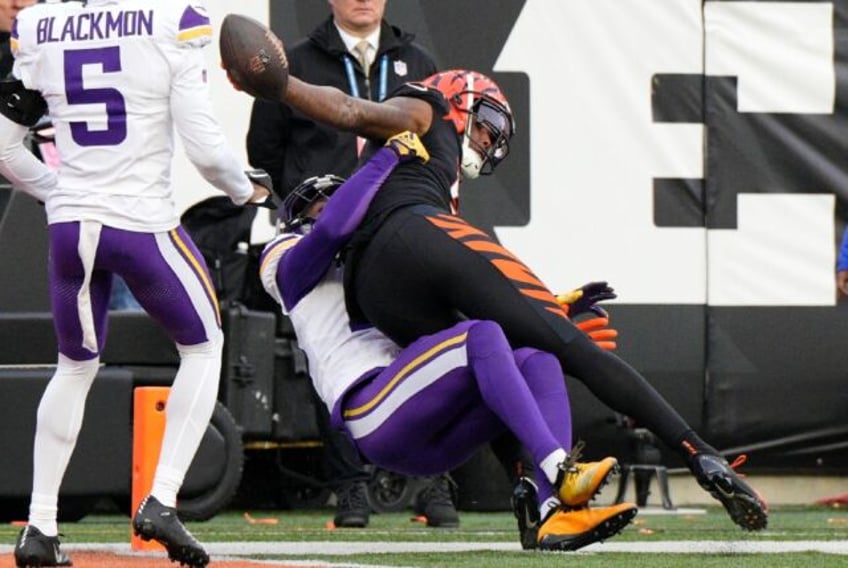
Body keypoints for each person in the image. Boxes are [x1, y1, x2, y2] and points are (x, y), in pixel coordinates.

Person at [228, 56, 769, 532]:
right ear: (458, 100)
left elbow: (477, 337)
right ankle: (697, 454)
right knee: (570, 346)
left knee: (521, 352)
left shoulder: (378, 202)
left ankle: (544, 505)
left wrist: (545, 308)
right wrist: (283, 87)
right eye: (485, 123)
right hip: (409, 243)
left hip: (378, 298)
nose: (488, 142)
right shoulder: (426, 109)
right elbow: (347, 110)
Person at [258, 129, 639, 551]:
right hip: (373, 409)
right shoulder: (283, 256)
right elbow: (330, 232)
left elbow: (465, 303)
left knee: (536, 356)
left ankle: (553, 513)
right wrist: (388, 156)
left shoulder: (379, 261)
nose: (339, 206)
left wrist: (548, 310)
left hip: (431, 426)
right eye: (325, 201)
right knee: (480, 335)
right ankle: (560, 470)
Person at [4, 1, 270, 567]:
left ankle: (40, 527)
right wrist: (247, 188)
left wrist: (60, 192)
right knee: (204, 345)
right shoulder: (176, 19)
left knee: (74, 366)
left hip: (70, 229)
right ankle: (163, 499)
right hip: (141, 225)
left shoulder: (39, 26)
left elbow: (3, 148)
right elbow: (203, 149)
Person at [245, 0, 447, 529]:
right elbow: (264, 151)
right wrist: (310, 211)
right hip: (325, 233)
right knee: (332, 353)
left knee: (427, 341)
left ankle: (435, 484)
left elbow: (439, 139)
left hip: (399, 227)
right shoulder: (296, 63)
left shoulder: (417, 58)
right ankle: (350, 487)